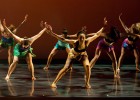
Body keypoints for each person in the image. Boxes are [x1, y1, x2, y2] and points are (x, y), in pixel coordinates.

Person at [45, 22, 104, 88]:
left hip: (83, 55)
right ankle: (54, 82)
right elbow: (63, 39)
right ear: (78, 38)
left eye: (83, 38)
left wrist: (104, 26)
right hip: (73, 55)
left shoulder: (87, 41)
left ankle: (87, 83)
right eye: (80, 38)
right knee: (66, 68)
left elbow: (97, 34)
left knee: (87, 66)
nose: (82, 39)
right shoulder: (74, 42)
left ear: (85, 37)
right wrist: (52, 33)